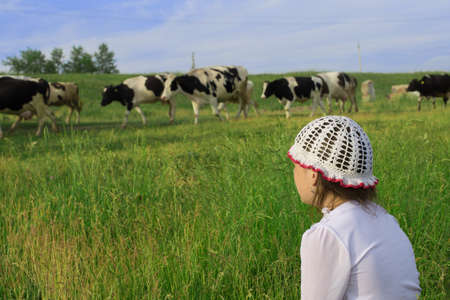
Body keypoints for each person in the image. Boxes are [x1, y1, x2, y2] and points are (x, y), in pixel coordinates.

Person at [287, 116, 421, 299]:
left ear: (313, 174)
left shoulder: (327, 234)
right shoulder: (387, 221)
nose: (294, 175)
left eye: (295, 167)